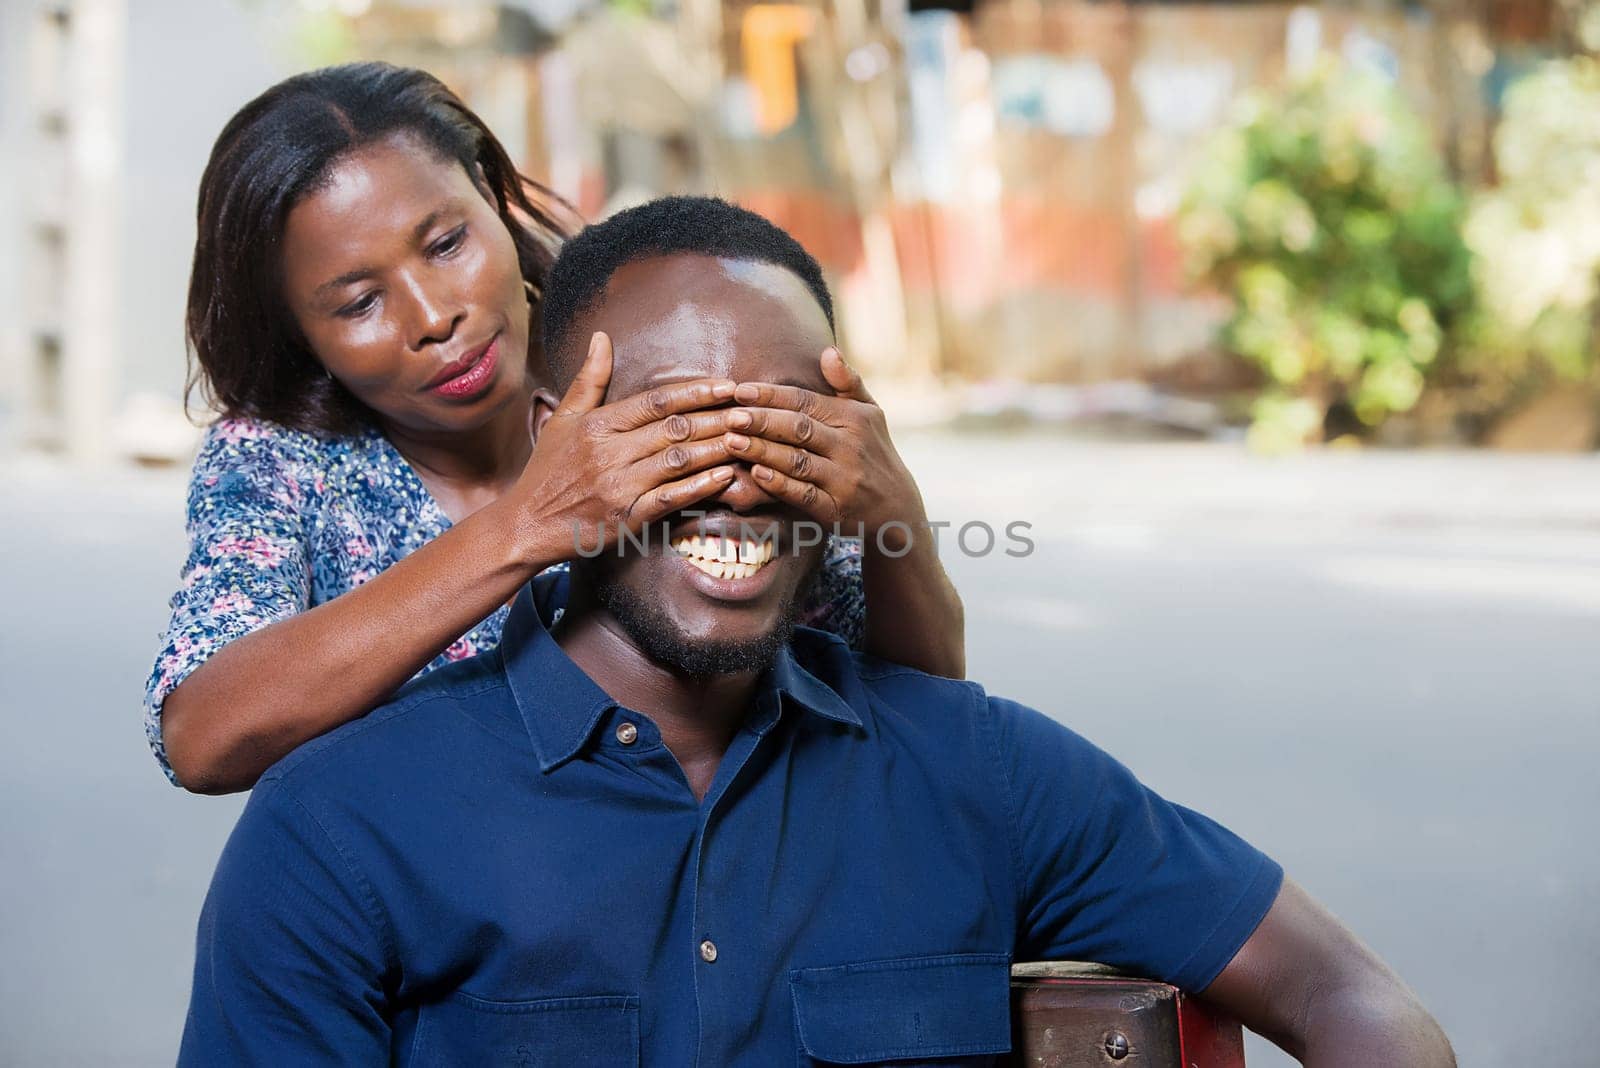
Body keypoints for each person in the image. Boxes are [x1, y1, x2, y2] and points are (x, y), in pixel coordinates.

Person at [180, 197, 1454, 1067]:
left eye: (785, 427)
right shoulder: (344, 830)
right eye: (675, 428)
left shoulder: (982, 774)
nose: (735, 477)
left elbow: (1354, 1000)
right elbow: (202, 728)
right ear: (564, 432)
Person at [144, 64, 963, 794]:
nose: (435, 317)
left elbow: (919, 716)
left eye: (447, 242)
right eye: (359, 303)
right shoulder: (286, 461)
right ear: (300, 335)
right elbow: (205, 738)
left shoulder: (648, 342)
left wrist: (896, 518)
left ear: (492, 201)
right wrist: (526, 527)